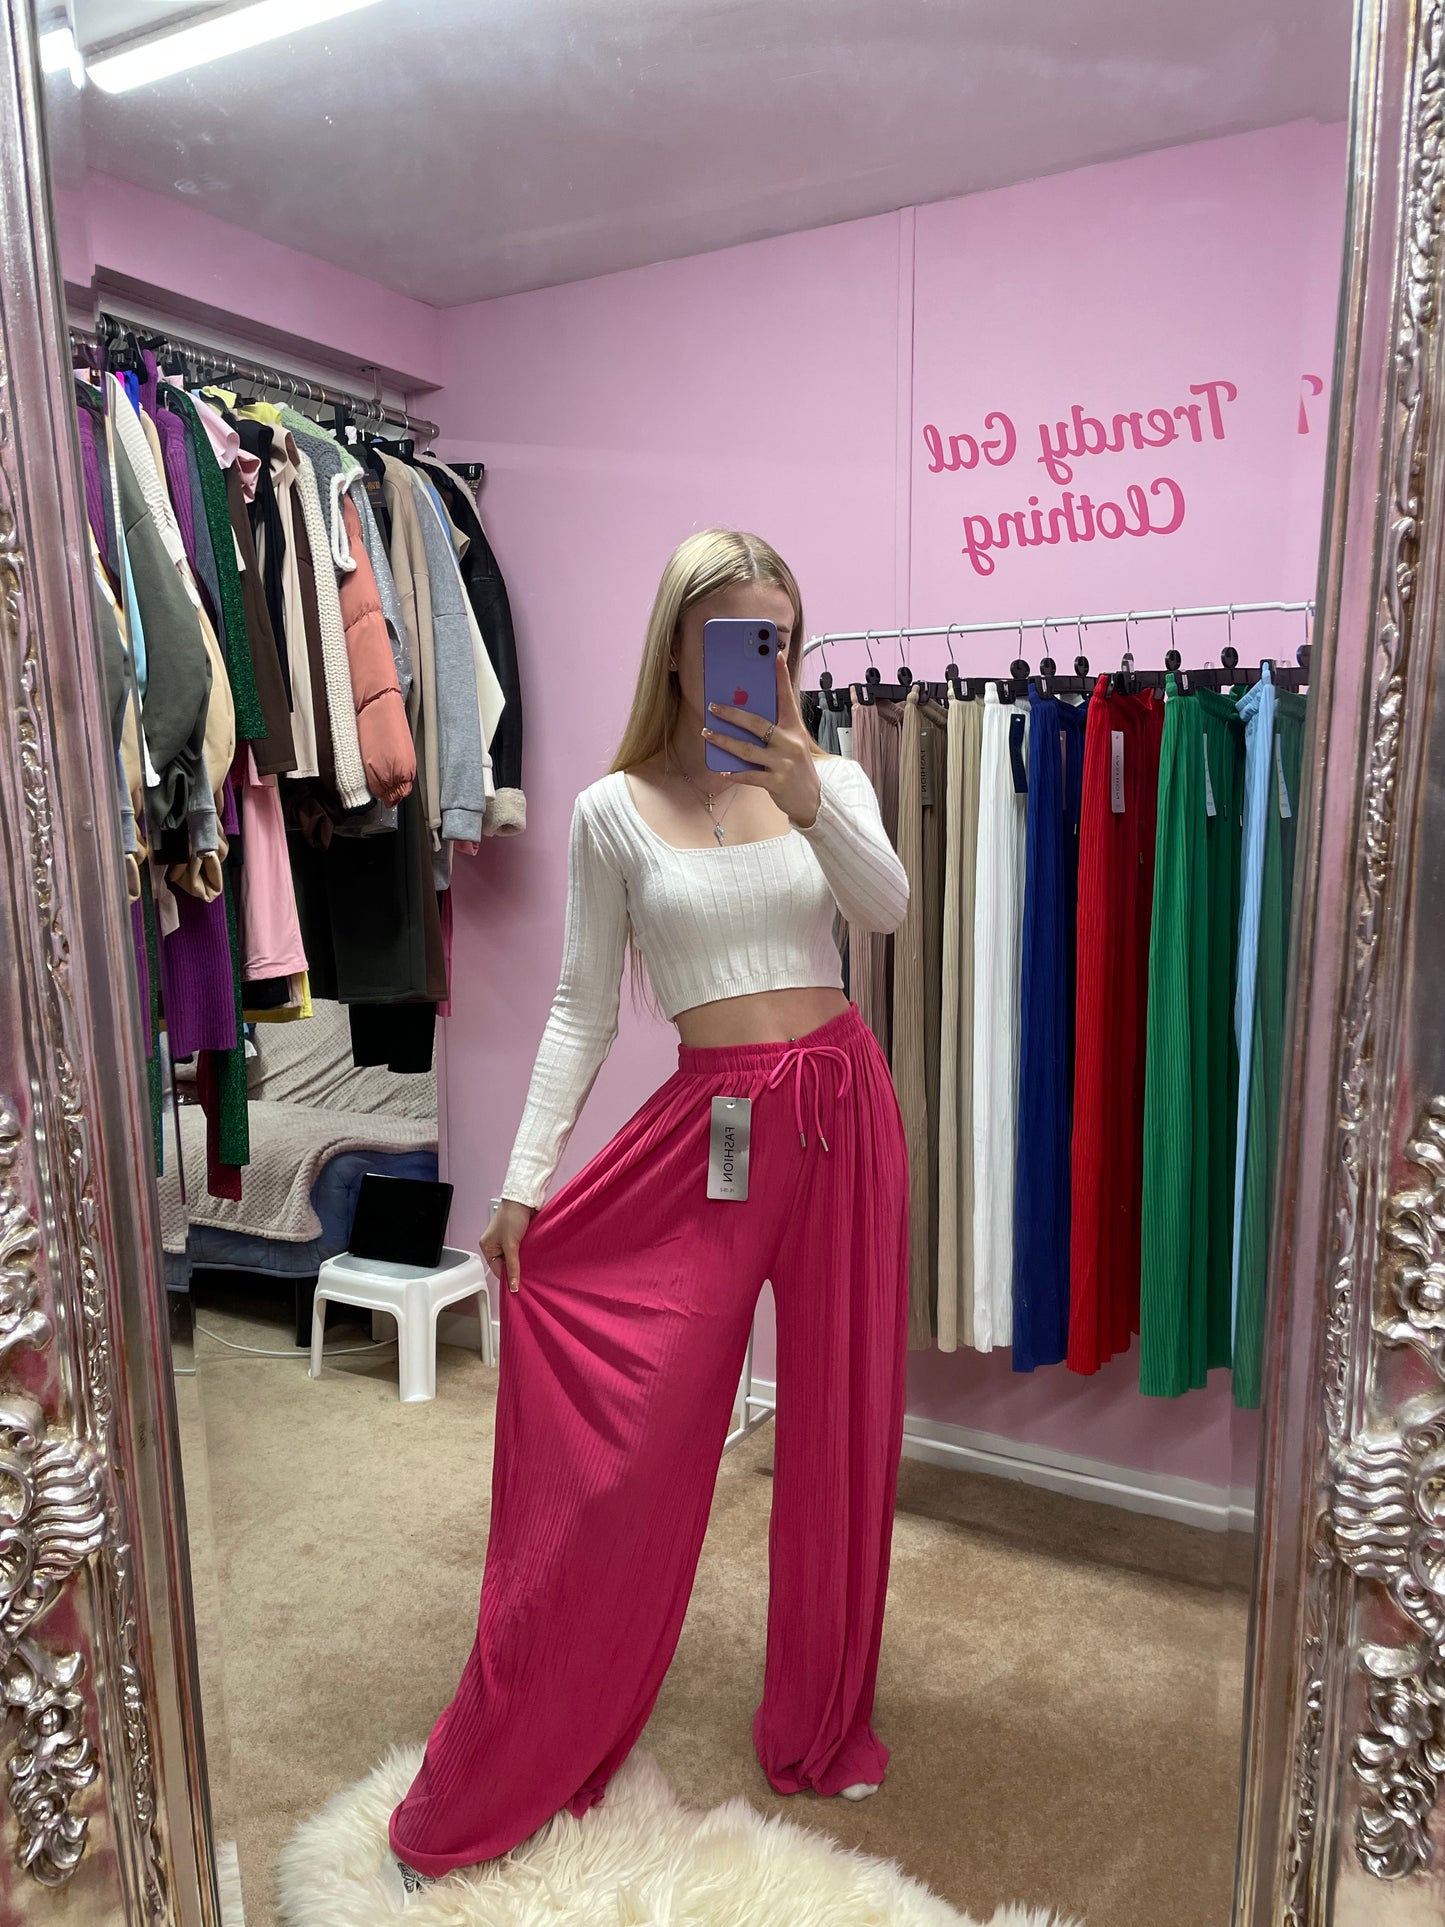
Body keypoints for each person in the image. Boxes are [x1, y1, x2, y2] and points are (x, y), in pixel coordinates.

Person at [387, 528, 910, 1891]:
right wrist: (522, 1182)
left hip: (843, 1113)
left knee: (841, 1424)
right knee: (629, 1442)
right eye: (733, 636)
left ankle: (821, 1721)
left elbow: (887, 910)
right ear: (677, 648)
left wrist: (809, 793)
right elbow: (577, 1006)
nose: (759, 662)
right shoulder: (611, 809)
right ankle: (533, 1729)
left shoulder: (830, 777)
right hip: (714, 1128)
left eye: (778, 638)